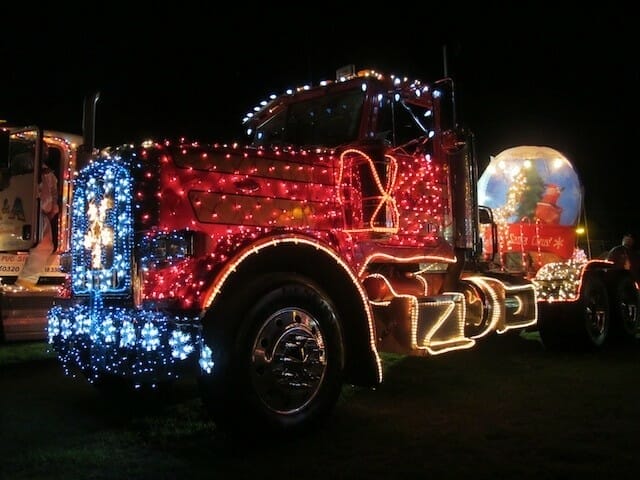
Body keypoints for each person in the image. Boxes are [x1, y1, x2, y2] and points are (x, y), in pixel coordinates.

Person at [14, 146, 59, 291]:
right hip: (24, 209)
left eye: (46, 150)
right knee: (43, 244)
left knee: (44, 244)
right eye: (42, 149)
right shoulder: (23, 163)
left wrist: (51, 210)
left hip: (38, 212)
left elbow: (52, 198)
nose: (45, 152)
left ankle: (27, 280)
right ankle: (26, 280)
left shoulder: (48, 173)